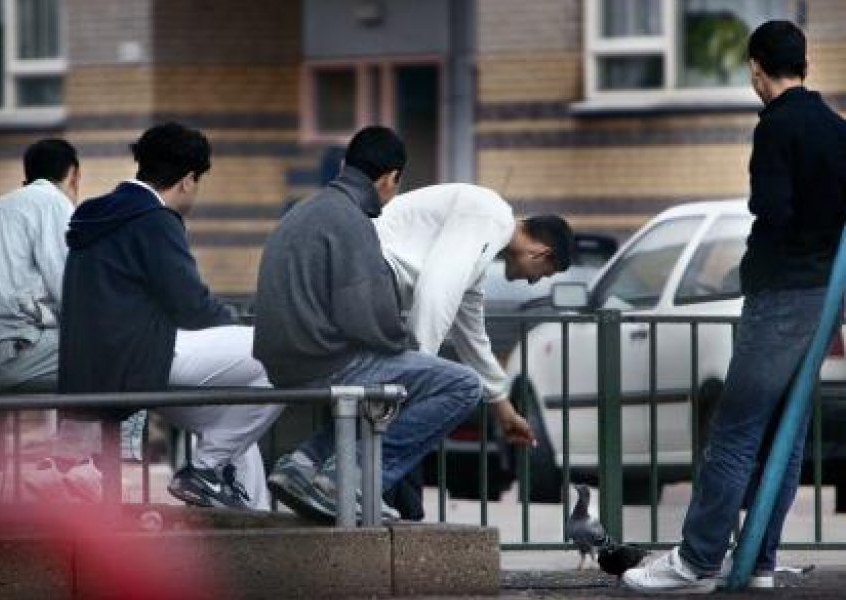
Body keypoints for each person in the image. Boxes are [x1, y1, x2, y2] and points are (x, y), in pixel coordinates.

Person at [623, 20, 846, 594]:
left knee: (735, 430)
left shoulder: (777, 127)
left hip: (779, 295)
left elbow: (771, 209)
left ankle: (695, 562)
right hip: (825, 299)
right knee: (787, 433)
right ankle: (760, 560)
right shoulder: (835, 128)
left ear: (755, 67)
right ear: (804, 64)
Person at [252, 126, 485, 522]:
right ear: (390, 178)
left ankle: (305, 463)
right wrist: (403, 341)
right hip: (324, 362)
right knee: (461, 384)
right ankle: (354, 479)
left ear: (346, 166)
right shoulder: (352, 222)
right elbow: (368, 319)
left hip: (284, 362)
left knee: (394, 385)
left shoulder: (304, 211)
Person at [59, 122, 281, 509]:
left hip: (97, 372)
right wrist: (237, 328)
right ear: (188, 179)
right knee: (280, 356)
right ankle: (205, 470)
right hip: (140, 367)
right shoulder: (154, 220)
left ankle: (248, 513)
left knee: (231, 431)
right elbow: (192, 305)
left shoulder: (98, 214)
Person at [373, 184, 574, 517]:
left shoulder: (482, 242)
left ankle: (394, 507)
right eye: (544, 275)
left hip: (371, 287)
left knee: (407, 408)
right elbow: (437, 292)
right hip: (364, 279)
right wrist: (420, 369)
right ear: (541, 252)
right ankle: (370, 491)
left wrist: (502, 407)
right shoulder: (489, 215)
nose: (533, 282)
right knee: (457, 389)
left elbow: (471, 333)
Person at [0, 139, 79, 391]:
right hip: (9, 351)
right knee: (125, 356)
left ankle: (73, 430)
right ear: (73, 175)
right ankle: (115, 434)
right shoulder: (53, 201)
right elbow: (70, 291)